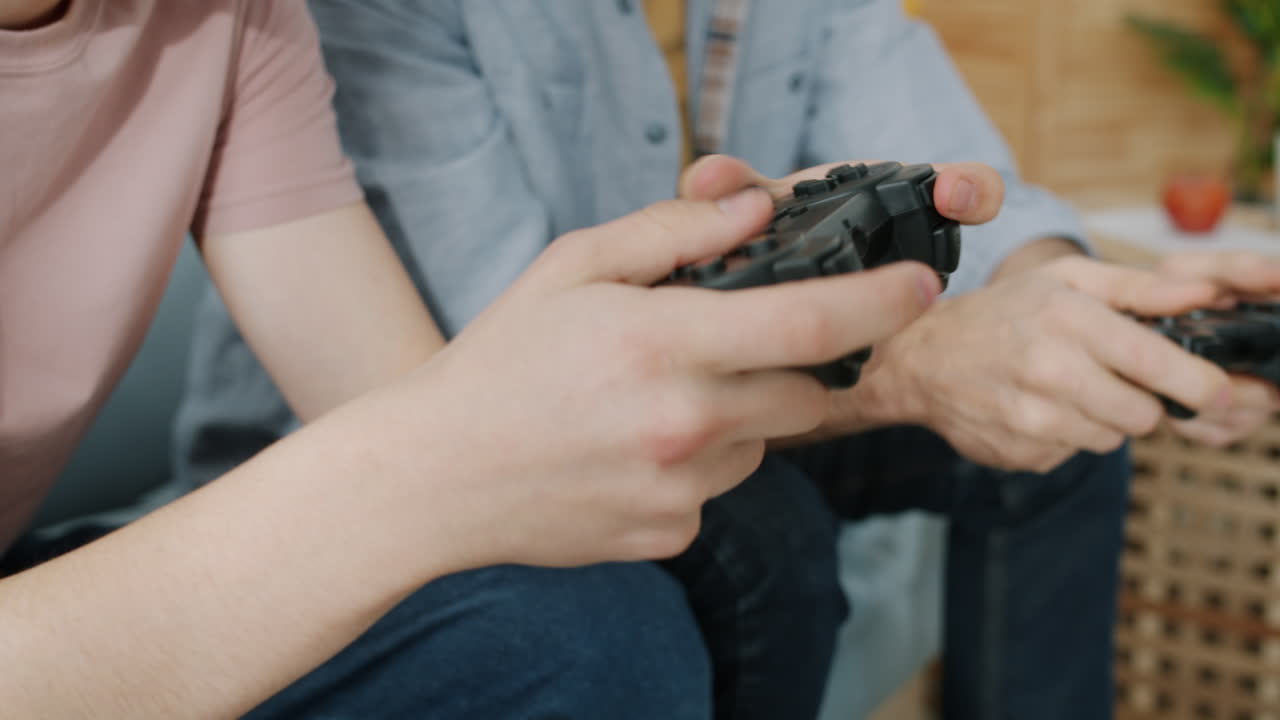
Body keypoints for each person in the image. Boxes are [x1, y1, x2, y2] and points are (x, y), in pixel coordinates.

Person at [174, 1, 1280, 719]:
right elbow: (505, 379)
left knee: (1060, 428)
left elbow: (974, 190)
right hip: (415, 423)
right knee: (756, 517)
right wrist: (917, 364)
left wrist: (1074, 304)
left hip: (718, 386)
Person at [0, 1, 1016, 717]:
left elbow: (399, 396)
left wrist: (729, 276)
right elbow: (428, 448)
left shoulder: (235, 22)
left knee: (591, 619)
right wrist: (441, 455)